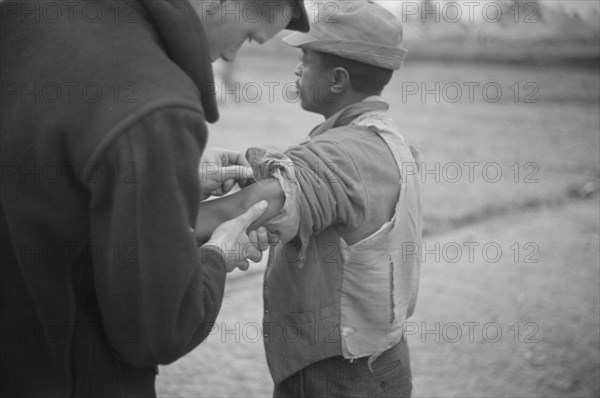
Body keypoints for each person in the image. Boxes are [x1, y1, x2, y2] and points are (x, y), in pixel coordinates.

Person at [0, 0, 308, 397]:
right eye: (248, 37)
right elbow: (156, 331)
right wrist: (216, 258)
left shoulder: (28, 15)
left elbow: (57, 187)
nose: (232, 55)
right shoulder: (157, 106)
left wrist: (165, 185)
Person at [193, 1, 422, 396]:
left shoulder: (339, 155)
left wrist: (140, 223)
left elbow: (238, 211)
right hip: (382, 363)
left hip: (336, 376)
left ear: (337, 80)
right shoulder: (389, 142)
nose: (297, 69)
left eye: (306, 60)